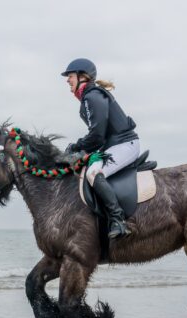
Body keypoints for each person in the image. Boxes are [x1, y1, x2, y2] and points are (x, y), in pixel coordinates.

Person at [62, 58, 139, 239]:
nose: (67, 80)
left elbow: (97, 135)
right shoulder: (90, 97)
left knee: (93, 173)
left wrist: (76, 146)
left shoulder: (92, 96)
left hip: (124, 144)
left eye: (70, 76)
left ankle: (118, 220)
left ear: (83, 77)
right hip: (115, 145)